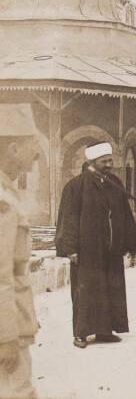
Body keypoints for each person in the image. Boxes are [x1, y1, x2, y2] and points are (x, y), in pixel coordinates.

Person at [55, 141, 136, 349]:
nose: (109, 164)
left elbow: (125, 214)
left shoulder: (115, 183)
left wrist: (131, 242)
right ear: (91, 162)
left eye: (110, 160)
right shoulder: (76, 186)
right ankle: (81, 334)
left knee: (110, 288)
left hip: (111, 249)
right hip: (87, 250)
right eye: (104, 161)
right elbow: (69, 219)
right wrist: (71, 248)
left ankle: (105, 331)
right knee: (86, 291)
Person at [0, 104, 41, 399]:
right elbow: (2, 274)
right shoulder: (3, 202)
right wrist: (6, 336)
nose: (36, 156)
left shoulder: (8, 193)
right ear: (13, 148)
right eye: (32, 147)